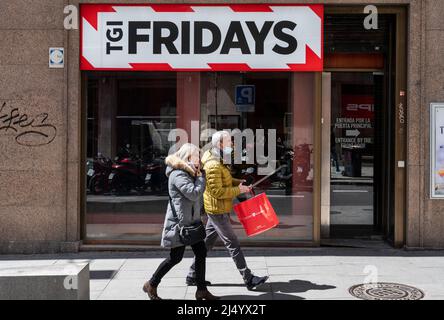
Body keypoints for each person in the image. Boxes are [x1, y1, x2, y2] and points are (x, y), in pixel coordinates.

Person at [186, 131, 269, 290]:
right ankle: (248, 278)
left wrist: (240, 182)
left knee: (207, 243)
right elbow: (217, 191)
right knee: (233, 243)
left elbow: (226, 180)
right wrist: (239, 190)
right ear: (220, 144)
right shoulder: (213, 164)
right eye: (230, 142)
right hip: (217, 209)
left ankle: (192, 275)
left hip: (216, 208)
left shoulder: (217, 158)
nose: (232, 144)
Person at [143, 143, 219, 300]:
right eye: (197, 156)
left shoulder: (190, 173)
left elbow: (195, 200)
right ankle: (151, 283)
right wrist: (200, 178)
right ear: (188, 157)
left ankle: (201, 290)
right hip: (180, 225)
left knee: (201, 252)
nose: (200, 159)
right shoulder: (178, 174)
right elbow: (193, 194)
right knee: (175, 258)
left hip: (191, 222)